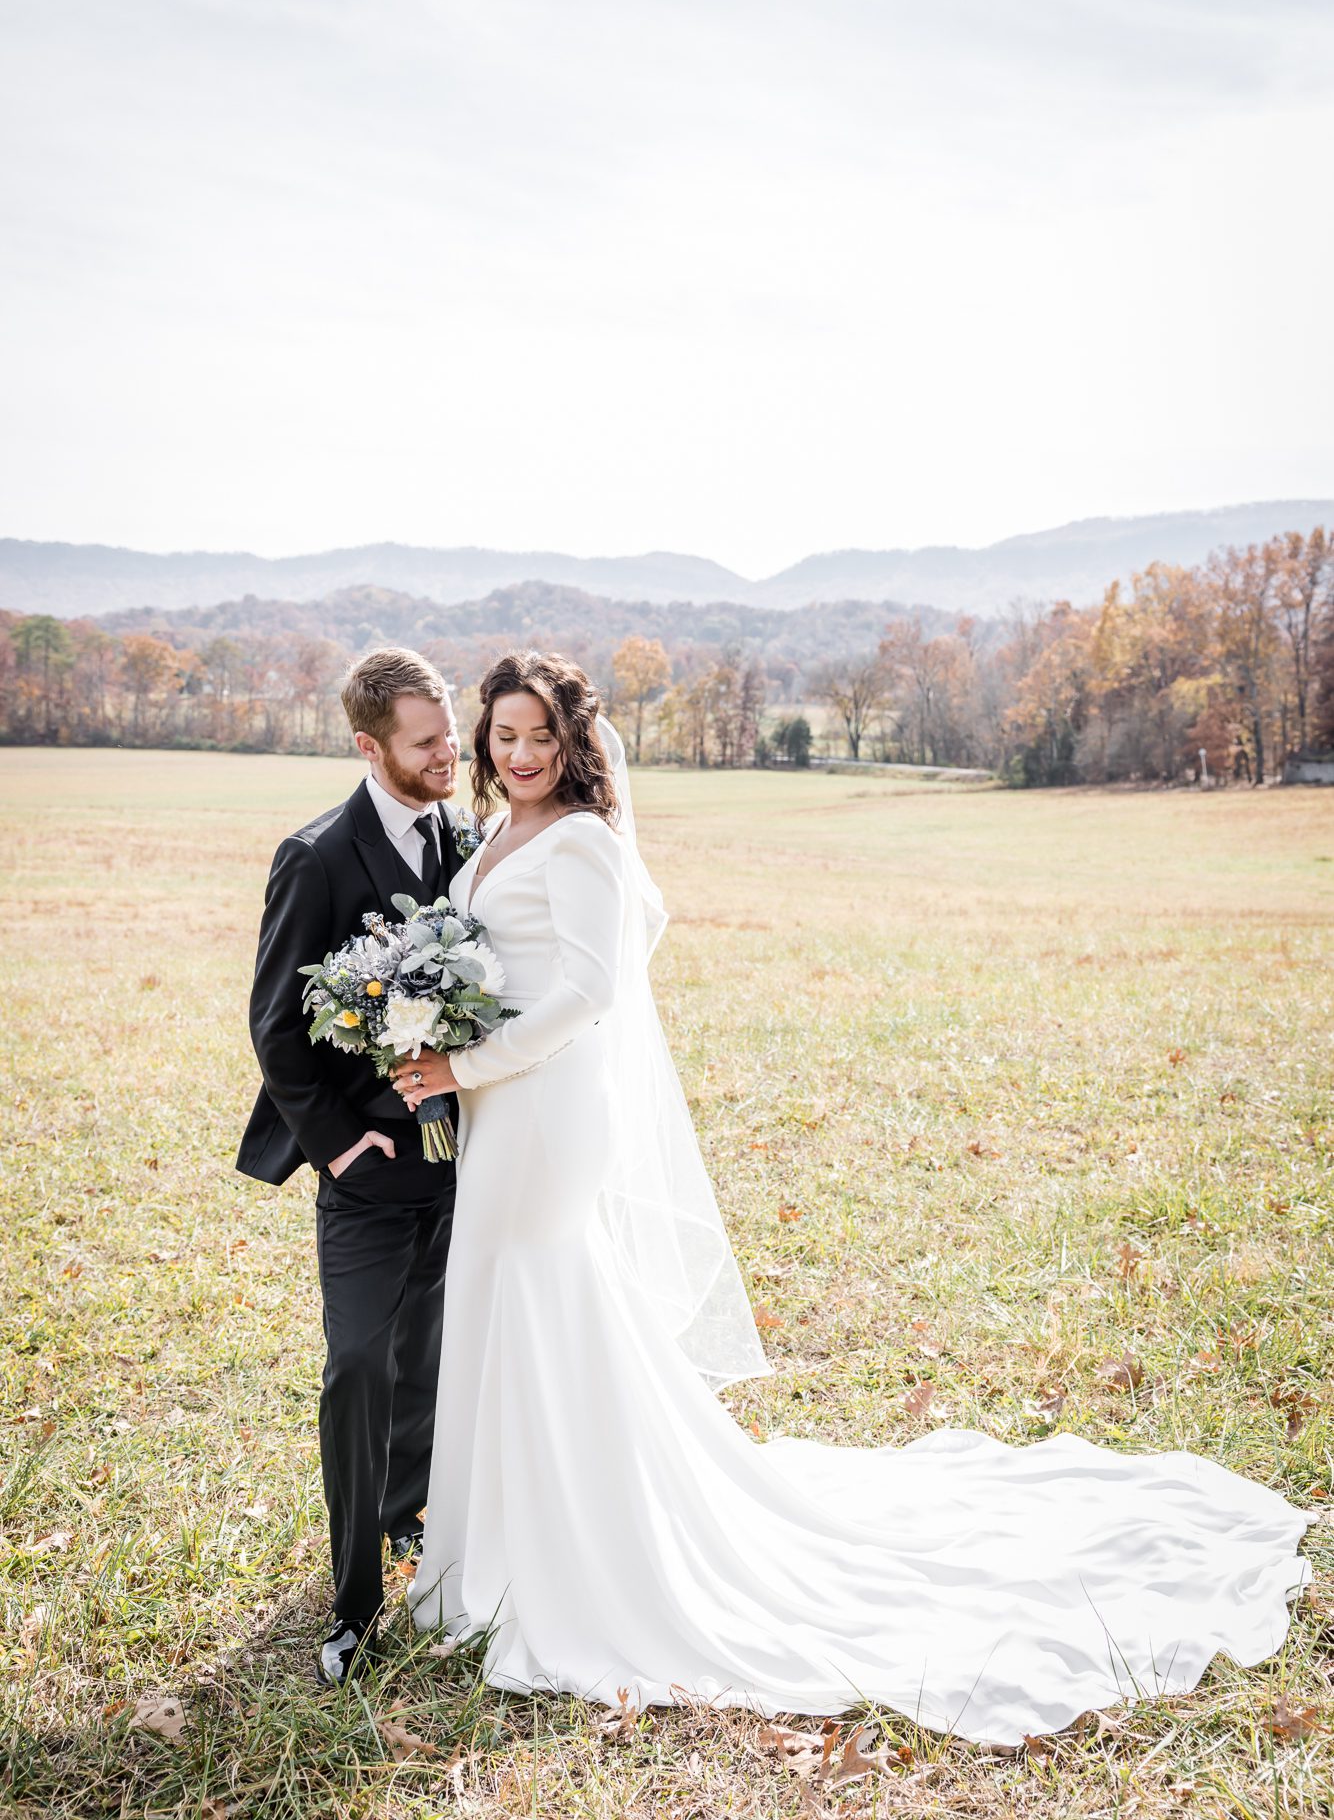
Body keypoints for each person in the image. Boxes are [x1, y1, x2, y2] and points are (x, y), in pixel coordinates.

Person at [398, 648, 1311, 1745]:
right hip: (502, 1105)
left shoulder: (583, 840)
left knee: (541, 1289)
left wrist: (467, 1063)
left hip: (545, 1104)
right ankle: (497, 1543)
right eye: (504, 735)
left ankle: (573, 1558)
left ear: (575, 739)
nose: (521, 753)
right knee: (507, 1292)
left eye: (540, 734)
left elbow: (591, 988)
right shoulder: (496, 833)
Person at [240, 647, 464, 1685]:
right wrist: (336, 1141)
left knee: (430, 1355)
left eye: (449, 730)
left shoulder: (469, 839)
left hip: (464, 1158)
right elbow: (276, 1025)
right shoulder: (317, 855)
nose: (449, 753)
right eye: (426, 742)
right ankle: (351, 1597)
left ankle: (408, 1520)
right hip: (365, 1170)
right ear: (369, 746)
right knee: (358, 1366)